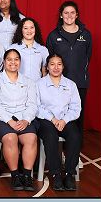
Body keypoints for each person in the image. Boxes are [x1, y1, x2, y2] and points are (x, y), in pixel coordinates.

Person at [0, 49, 38, 191]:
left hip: (22, 117)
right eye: (9, 59)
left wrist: (26, 120)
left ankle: (26, 176)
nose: (13, 62)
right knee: (10, 137)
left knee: (31, 138)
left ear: (20, 62)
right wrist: (9, 121)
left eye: (16, 59)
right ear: (4, 62)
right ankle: (15, 176)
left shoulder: (28, 81)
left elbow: (32, 104)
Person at [36, 54, 82, 191]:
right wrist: (53, 119)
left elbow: (76, 108)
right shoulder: (39, 84)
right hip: (46, 120)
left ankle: (69, 174)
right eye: (52, 64)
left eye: (59, 64)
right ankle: (56, 174)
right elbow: (36, 107)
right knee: (51, 136)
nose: (56, 67)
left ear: (63, 66)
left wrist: (64, 120)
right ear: (47, 67)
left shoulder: (71, 85)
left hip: (65, 120)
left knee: (75, 136)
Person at [45, 1, 92, 134]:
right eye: (66, 13)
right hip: (59, 83)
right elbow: (50, 60)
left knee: (77, 116)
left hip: (80, 81)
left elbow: (88, 57)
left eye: (72, 13)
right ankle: (57, 142)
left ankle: (76, 143)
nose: (69, 16)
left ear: (77, 15)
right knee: (59, 114)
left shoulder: (86, 35)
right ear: (61, 15)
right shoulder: (54, 35)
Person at [9, 17, 49, 82]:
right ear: (21, 30)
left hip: (36, 85)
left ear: (35, 29)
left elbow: (45, 72)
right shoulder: (13, 48)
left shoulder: (43, 49)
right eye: (25, 28)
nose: (29, 31)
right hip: (18, 85)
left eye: (32, 27)